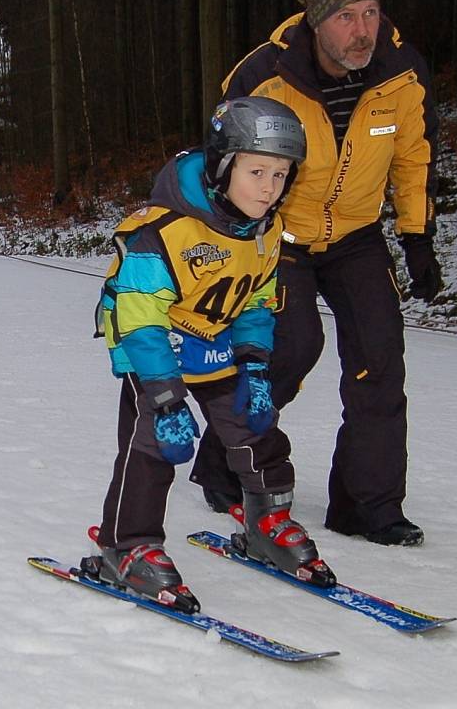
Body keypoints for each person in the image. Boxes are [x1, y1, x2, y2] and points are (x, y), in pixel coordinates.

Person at [189, 0, 442, 547]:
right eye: (347, 16)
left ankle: (367, 505)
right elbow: (224, 164)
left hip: (355, 236)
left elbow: (414, 157)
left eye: (372, 13)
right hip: (280, 237)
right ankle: (225, 459)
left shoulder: (403, 73)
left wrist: (417, 236)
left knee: (379, 360)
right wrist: (226, 239)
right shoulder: (264, 75)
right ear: (316, 21)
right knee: (289, 347)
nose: (363, 30)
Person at [94, 96, 336, 612]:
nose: (269, 188)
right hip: (156, 350)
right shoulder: (160, 233)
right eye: (256, 172)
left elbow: (255, 301)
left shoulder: (265, 229)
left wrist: (254, 364)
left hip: (217, 345)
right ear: (224, 166)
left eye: (280, 174)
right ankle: (126, 544)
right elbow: (139, 318)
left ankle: (265, 522)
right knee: (153, 449)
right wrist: (163, 396)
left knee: (257, 433)